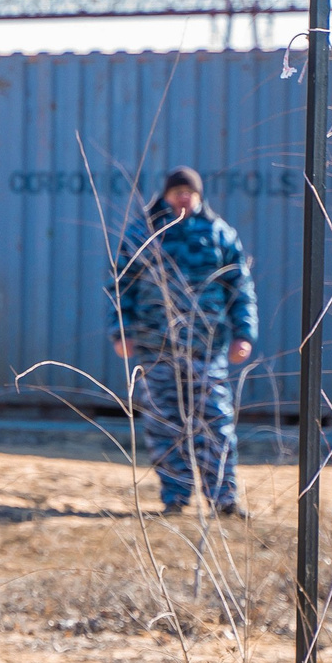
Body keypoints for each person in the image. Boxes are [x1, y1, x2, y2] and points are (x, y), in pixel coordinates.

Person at [109, 165, 257, 516]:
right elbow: (120, 285)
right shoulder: (142, 232)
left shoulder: (220, 234)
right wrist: (121, 331)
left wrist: (244, 334)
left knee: (216, 423)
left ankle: (224, 500)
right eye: (177, 193)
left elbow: (240, 288)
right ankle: (175, 499)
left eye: (190, 193)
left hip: (207, 348)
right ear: (166, 195)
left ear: (199, 196)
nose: (184, 198)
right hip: (155, 347)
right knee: (164, 425)